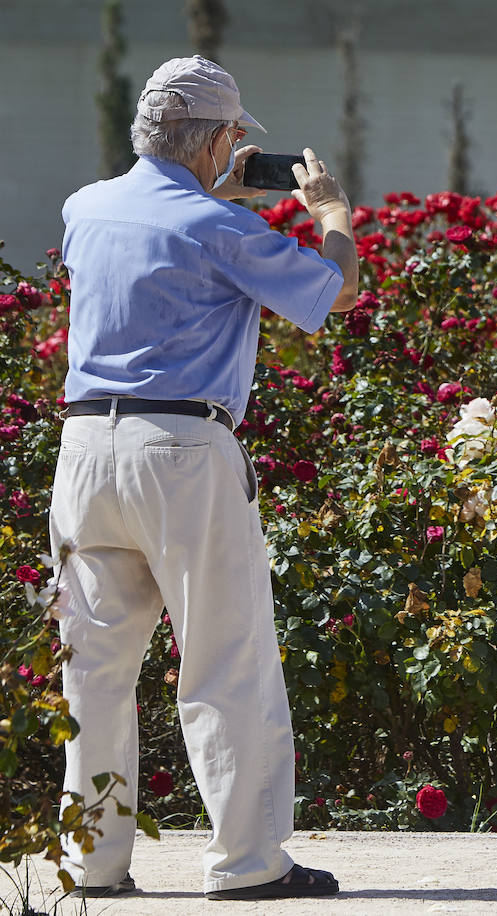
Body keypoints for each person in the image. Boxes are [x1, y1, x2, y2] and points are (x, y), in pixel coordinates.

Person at [51, 56, 358, 898]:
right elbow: (335, 293)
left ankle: (92, 863)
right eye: (234, 138)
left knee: (93, 667)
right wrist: (330, 211)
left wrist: (209, 195)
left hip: (83, 450)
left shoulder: (87, 208)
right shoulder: (219, 228)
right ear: (223, 138)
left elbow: (157, 234)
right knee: (226, 658)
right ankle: (249, 864)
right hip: (183, 450)